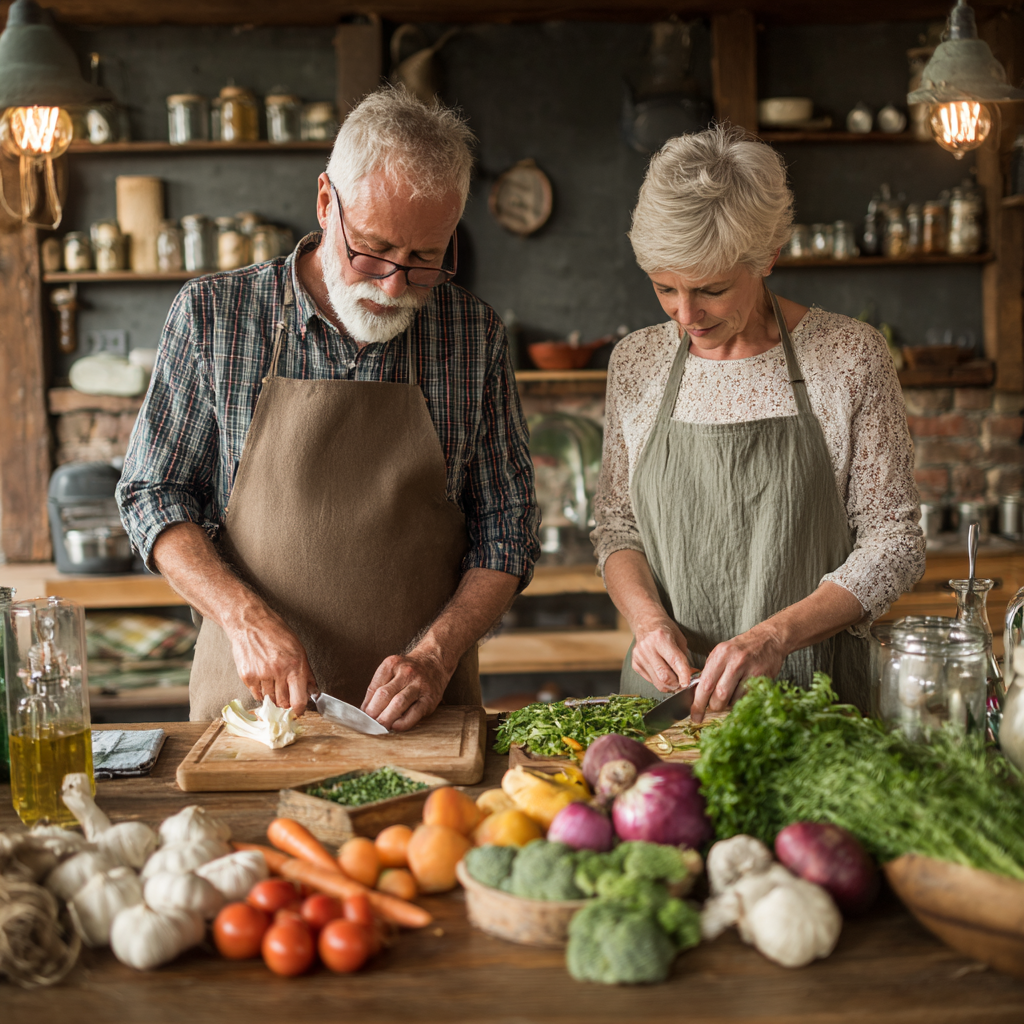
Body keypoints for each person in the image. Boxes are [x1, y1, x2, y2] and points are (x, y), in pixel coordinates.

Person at [118, 87, 539, 730]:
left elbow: (508, 527)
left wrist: (438, 651)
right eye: (371, 249)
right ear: (325, 202)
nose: (394, 285)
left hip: (421, 718)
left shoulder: (471, 336)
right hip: (253, 714)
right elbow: (153, 493)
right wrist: (243, 617)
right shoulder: (214, 318)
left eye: (425, 258)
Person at [592, 125, 925, 720]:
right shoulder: (637, 362)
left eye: (711, 289)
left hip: (813, 701)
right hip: (671, 702)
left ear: (767, 256)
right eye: (664, 287)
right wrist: (647, 621)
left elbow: (895, 542)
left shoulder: (849, 355)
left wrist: (774, 636)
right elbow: (618, 528)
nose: (686, 314)